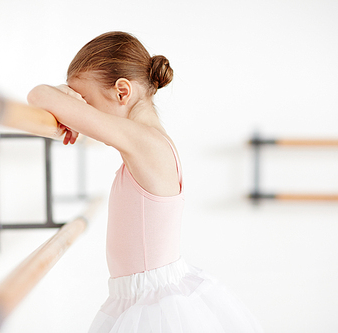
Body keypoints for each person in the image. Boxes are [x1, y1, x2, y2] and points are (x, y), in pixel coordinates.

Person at [27, 31, 263, 333]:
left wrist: (62, 94)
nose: (80, 108)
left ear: (122, 92)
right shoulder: (149, 142)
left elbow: (38, 95)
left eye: (84, 99)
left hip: (152, 307)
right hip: (141, 296)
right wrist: (73, 99)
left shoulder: (143, 142)